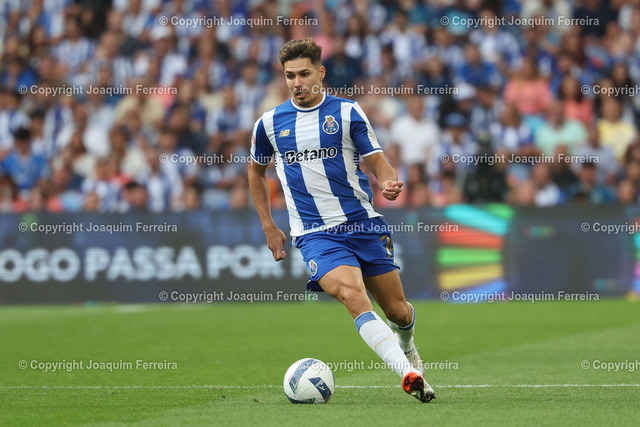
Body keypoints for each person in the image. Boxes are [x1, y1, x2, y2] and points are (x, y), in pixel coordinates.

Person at [247, 38, 435, 403]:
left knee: (397, 311)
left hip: (362, 224)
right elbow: (255, 172)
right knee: (352, 295)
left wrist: (388, 181)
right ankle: (407, 373)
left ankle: (407, 346)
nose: (297, 82)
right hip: (315, 233)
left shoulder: (347, 112)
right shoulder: (268, 124)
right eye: (290, 76)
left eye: (304, 74)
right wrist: (269, 225)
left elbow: (377, 160)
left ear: (321, 73)